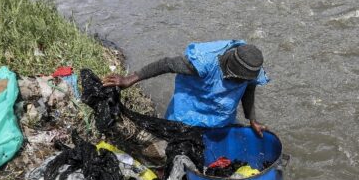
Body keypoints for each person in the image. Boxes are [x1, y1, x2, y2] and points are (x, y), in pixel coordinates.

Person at [103, 40, 270, 136]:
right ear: (228, 69)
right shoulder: (203, 63)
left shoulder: (250, 70)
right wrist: (129, 79)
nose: (238, 82)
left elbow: (248, 90)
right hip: (188, 114)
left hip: (220, 118)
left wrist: (252, 119)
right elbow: (166, 64)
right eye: (236, 79)